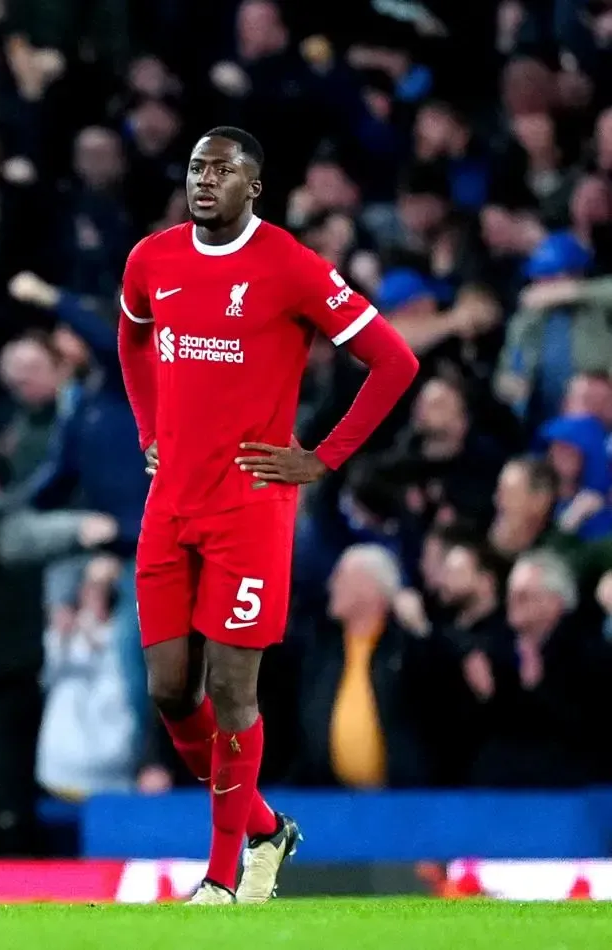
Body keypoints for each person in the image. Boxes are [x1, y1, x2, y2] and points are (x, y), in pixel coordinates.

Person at [117, 127, 420, 905]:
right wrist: (148, 430)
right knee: (168, 692)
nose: (204, 180)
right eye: (195, 168)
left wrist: (325, 457)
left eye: (223, 170)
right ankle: (261, 828)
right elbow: (131, 337)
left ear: (254, 187)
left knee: (230, 691)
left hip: (248, 508)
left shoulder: (287, 264)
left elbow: (394, 359)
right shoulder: (152, 258)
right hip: (170, 503)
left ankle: (222, 877)